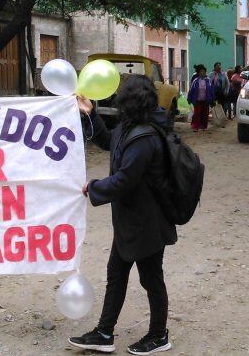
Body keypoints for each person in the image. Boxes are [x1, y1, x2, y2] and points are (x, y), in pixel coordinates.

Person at [69, 75, 176, 355]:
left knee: (151, 278)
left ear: (128, 102)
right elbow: (108, 141)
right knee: (116, 274)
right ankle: (104, 333)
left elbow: (124, 180)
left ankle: (159, 335)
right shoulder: (129, 128)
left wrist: (92, 188)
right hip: (131, 221)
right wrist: (91, 114)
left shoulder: (146, 137)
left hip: (148, 223)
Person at [188, 65, 213, 132]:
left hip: (205, 100)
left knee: (205, 114)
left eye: (203, 72)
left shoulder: (208, 81)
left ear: (205, 73)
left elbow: (211, 90)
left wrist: (212, 99)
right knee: (197, 114)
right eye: (201, 72)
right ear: (199, 73)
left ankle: (203, 126)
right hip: (197, 100)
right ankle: (196, 126)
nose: (202, 73)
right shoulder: (196, 81)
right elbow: (191, 90)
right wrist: (189, 98)